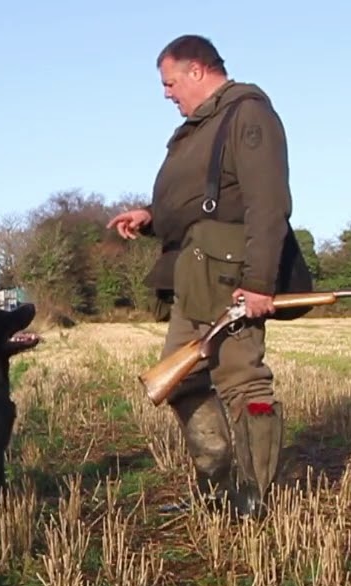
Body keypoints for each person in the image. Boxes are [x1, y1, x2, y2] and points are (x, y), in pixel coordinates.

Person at [108, 34, 313, 519]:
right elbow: (207, 197)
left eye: (170, 81)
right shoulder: (203, 124)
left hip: (231, 273)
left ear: (197, 71)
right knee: (177, 380)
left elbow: (268, 205)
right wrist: (152, 218)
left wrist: (260, 282)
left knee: (244, 383)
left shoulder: (247, 114)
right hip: (193, 271)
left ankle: (253, 498)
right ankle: (218, 485)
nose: (166, 93)